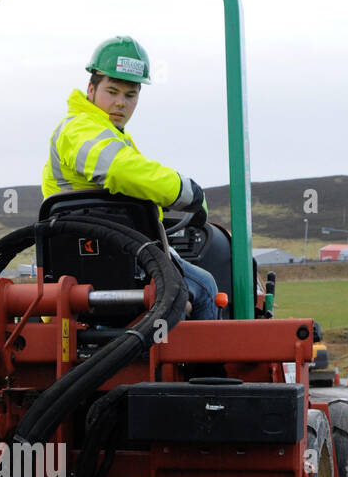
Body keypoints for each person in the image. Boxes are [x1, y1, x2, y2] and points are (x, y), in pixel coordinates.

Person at [42, 36, 219, 319]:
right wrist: (186, 193)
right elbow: (119, 170)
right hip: (103, 271)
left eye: (130, 95)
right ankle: (204, 364)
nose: (120, 103)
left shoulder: (108, 136)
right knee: (207, 286)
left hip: (109, 265)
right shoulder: (78, 129)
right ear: (91, 88)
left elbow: (127, 182)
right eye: (111, 92)